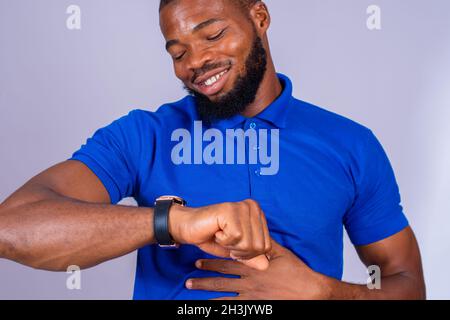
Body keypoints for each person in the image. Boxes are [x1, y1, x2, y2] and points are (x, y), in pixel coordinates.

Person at [0, 0, 425, 300]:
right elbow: (12, 228)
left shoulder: (349, 144)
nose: (195, 62)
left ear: (259, 17)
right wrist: (176, 222)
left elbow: (406, 283)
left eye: (213, 34)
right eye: (178, 51)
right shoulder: (143, 136)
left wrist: (323, 292)